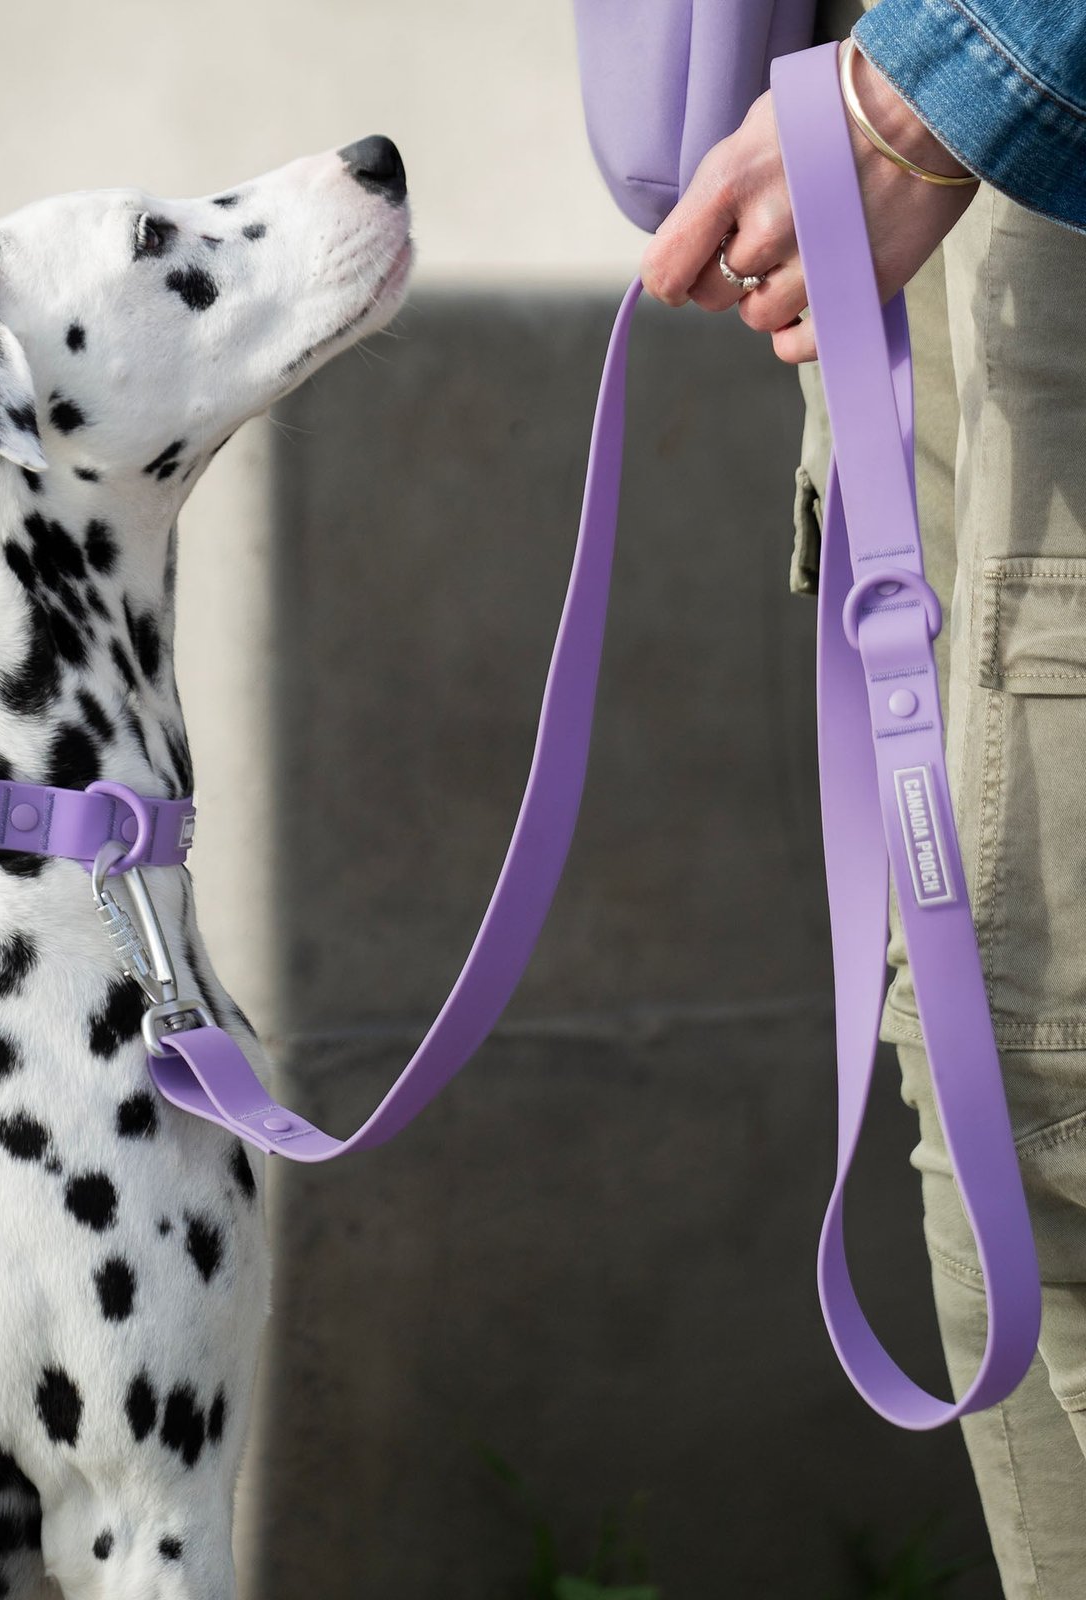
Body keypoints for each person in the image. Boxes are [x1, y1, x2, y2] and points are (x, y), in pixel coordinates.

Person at [638, 3, 1086, 1592]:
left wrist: (943, 82)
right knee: (982, 1099)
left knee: (1046, 1082)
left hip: (991, 128)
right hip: (908, 164)